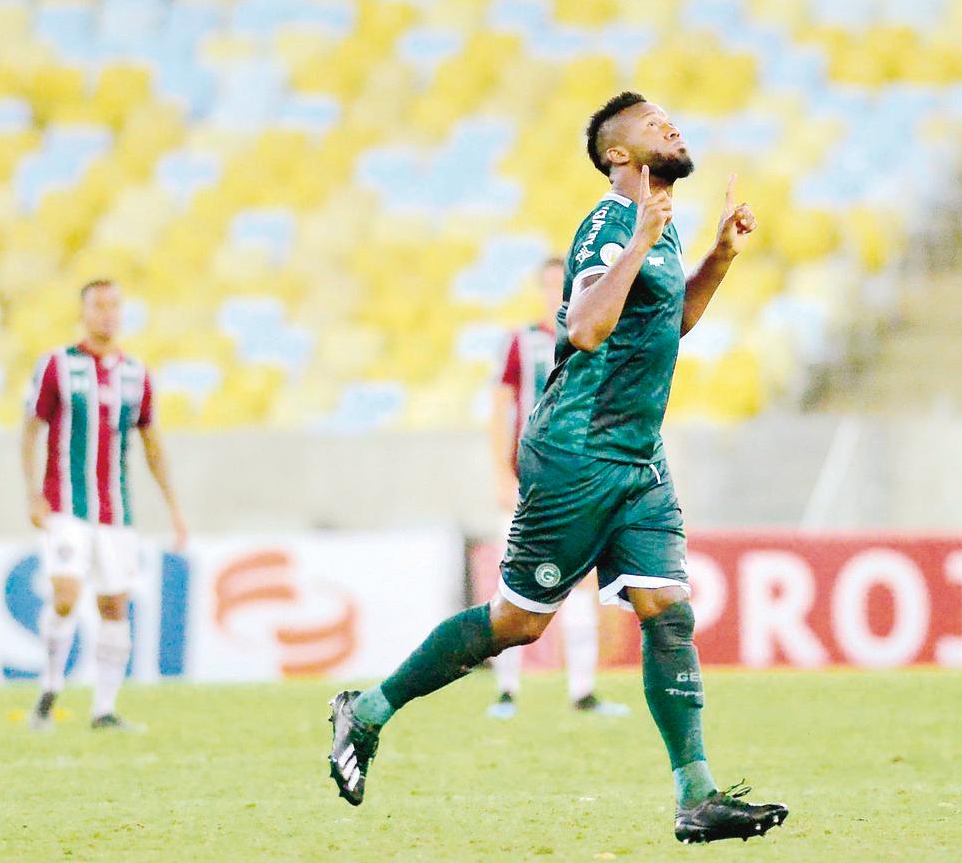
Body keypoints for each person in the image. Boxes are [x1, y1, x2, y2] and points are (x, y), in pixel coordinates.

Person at [327, 92, 789, 845]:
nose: (669, 125)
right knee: (519, 622)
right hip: (576, 452)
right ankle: (368, 709)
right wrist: (641, 238)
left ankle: (696, 795)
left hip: (638, 455)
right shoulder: (613, 222)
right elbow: (583, 325)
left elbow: (668, 323)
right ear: (619, 156)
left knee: (668, 612)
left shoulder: (657, 228)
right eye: (650, 124)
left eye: (669, 117)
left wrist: (721, 257)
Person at [22, 279, 188, 731]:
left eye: (115, 306)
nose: (108, 314)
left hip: (116, 513)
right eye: (99, 306)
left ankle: (104, 709)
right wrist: (33, 493)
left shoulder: (135, 373)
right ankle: (49, 690)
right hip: (65, 506)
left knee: (114, 606)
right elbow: (32, 428)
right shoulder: (57, 365)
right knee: (65, 595)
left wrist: (173, 507)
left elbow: (152, 445)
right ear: (84, 311)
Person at [486, 256, 628, 719]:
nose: (557, 293)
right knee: (513, 584)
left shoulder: (594, 333)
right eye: (549, 285)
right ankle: (507, 691)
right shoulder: (523, 343)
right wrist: (501, 474)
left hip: (577, 481)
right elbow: (500, 410)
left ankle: (582, 691)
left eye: (562, 285)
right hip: (529, 481)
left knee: (582, 584)